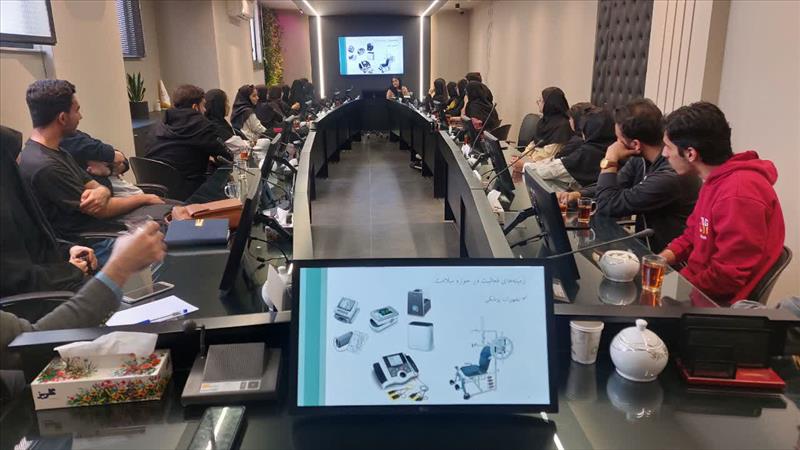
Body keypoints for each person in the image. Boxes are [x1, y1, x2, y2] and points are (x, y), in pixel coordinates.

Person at [659, 102, 785, 305]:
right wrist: (661, 260)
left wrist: (677, 293)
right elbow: (693, 234)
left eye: (668, 147)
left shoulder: (738, 193)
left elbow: (727, 276)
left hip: (715, 304)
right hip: (696, 288)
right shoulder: (715, 180)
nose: (664, 153)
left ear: (690, 153)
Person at [18, 80, 165, 244]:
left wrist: (102, 191)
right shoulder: (46, 166)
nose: (80, 116)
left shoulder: (56, 151)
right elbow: (102, 210)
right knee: (170, 231)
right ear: (63, 118)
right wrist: (144, 198)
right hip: (93, 240)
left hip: (105, 225)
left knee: (175, 216)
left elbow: (94, 186)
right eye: (77, 110)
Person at [1, 221, 166, 353]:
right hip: (44, 310)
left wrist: (68, 250)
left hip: (64, 287)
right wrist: (120, 267)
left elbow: (37, 242)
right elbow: (32, 341)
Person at [560, 98, 701, 253]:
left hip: (662, 259)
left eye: (619, 139)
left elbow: (607, 205)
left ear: (635, 144)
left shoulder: (669, 177)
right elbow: (615, 185)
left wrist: (610, 158)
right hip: (643, 248)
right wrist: (578, 194)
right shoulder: (641, 159)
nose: (615, 145)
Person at [0, 125, 91, 296]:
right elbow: (16, 280)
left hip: (51, 285)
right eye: (15, 154)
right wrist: (71, 271)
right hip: (37, 302)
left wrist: (68, 250)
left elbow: (35, 244)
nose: (20, 160)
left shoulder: (12, 198)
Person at [146, 84, 231, 199]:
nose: (205, 110)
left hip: (155, 191)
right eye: (203, 105)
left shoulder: (158, 125)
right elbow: (226, 155)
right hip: (190, 193)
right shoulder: (201, 125)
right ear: (195, 107)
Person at [527, 106, 615, 191]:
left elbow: (552, 170)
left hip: (584, 197)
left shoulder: (587, 151)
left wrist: (525, 166)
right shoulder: (613, 146)